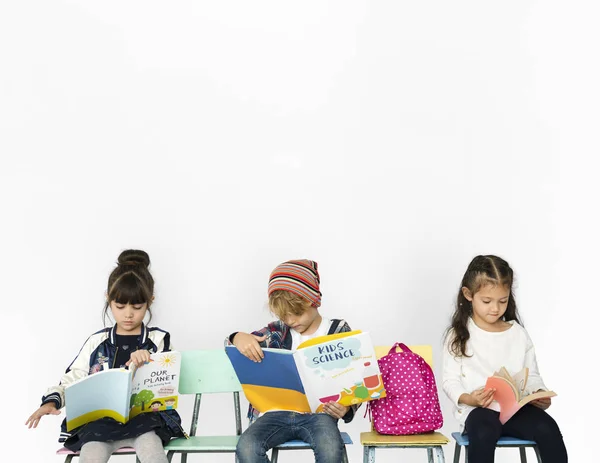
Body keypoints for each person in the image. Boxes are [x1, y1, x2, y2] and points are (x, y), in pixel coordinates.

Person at [25, 250, 185, 463]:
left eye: (137, 307)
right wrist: (52, 401)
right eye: (120, 306)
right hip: (100, 424)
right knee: (91, 454)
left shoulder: (158, 339)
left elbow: (169, 382)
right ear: (108, 300)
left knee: (152, 451)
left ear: (150, 301)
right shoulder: (96, 342)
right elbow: (72, 378)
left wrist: (150, 361)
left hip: (145, 422)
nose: (128, 314)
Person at [442, 255, 567, 462]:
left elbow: (531, 374)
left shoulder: (517, 333)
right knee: (483, 432)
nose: (495, 308)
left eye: (503, 301)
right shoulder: (459, 334)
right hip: (478, 411)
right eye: (487, 301)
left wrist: (538, 393)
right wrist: (469, 398)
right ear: (468, 294)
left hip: (514, 410)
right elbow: (450, 381)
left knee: (548, 429)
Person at [228, 259, 356, 463]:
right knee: (247, 447)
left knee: (331, 449)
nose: (291, 321)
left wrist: (347, 408)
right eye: (284, 316)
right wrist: (237, 337)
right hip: (274, 414)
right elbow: (235, 345)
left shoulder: (338, 331)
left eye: (296, 313)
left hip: (319, 415)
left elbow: (353, 377)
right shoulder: (277, 331)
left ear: (314, 300)